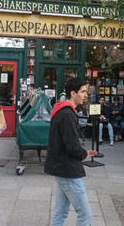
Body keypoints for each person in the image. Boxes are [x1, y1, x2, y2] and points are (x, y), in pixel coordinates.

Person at [44, 78, 97, 226]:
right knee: (85, 215)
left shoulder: (62, 111)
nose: (85, 95)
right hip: (68, 171)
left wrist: (83, 152)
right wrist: (83, 154)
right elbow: (72, 146)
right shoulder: (67, 114)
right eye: (83, 91)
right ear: (73, 93)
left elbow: (68, 143)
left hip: (62, 169)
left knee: (60, 214)